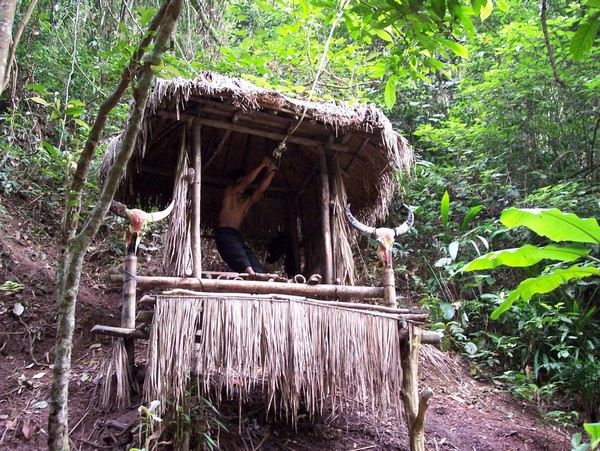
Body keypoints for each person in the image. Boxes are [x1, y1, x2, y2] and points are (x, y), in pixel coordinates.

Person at [215, 156, 278, 275]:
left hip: (237, 236)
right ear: (236, 182)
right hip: (224, 234)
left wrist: (271, 173)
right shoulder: (229, 193)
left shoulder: (246, 201)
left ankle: (259, 277)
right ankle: (252, 276)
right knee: (244, 264)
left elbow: (260, 190)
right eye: (241, 181)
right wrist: (262, 165)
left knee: (255, 265)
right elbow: (245, 183)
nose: (244, 184)